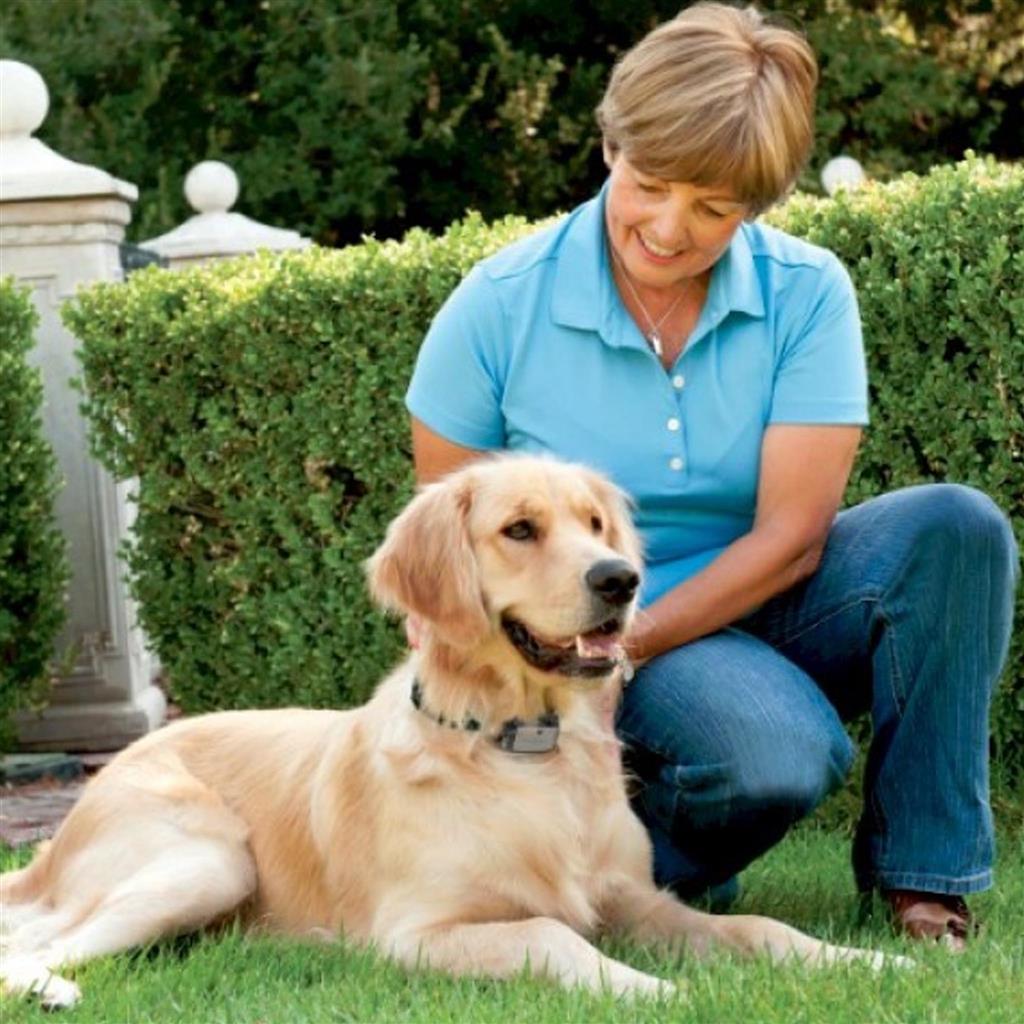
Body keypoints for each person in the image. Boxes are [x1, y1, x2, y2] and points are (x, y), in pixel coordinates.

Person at [403, 2, 1018, 948]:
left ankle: (925, 880)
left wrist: (628, 645)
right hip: (571, 642)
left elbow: (794, 537)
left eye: (714, 208)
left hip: (747, 604)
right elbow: (451, 558)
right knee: (774, 756)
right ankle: (621, 869)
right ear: (611, 146)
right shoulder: (496, 307)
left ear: (756, 206)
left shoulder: (807, 293)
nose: (668, 228)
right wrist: (574, 659)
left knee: (958, 527)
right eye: (649, 185)